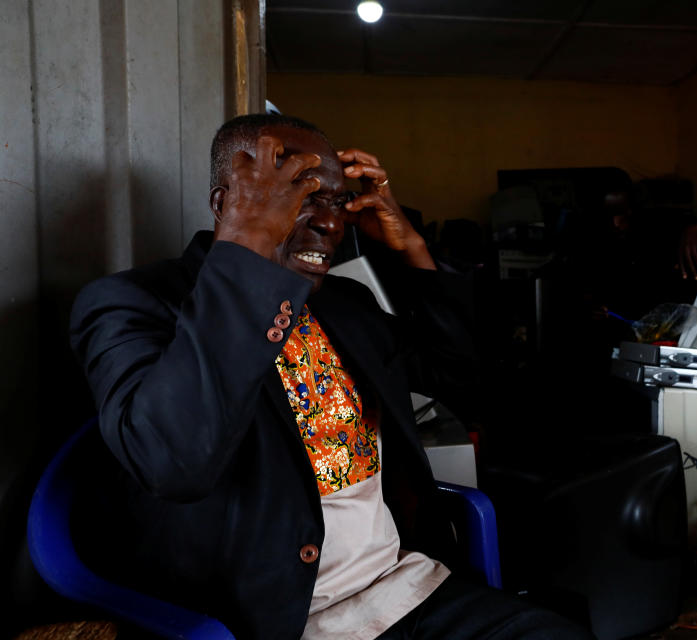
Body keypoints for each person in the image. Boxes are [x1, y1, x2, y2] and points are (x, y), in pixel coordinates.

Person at [69, 114, 594, 640]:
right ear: (225, 203)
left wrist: (410, 247)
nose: (330, 224)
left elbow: (459, 376)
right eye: (303, 195)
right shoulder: (133, 303)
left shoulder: (343, 304)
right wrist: (247, 245)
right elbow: (174, 461)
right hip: (275, 616)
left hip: (401, 588)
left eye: (337, 203)